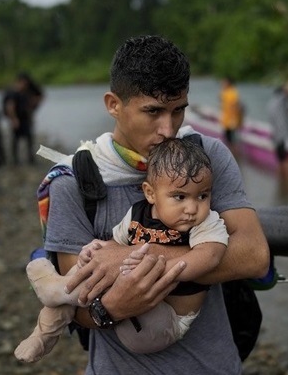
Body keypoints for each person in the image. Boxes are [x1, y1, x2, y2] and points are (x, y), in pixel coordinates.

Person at [32, 35, 269, 374]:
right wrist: (110, 307)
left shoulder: (207, 157)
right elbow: (75, 302)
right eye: (153, 111)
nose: (168, 129)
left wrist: (127, 258)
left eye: (178, 110)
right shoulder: (74, 183)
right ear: (114, 104)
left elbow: (254, 255)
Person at [15, 137, 229, 362]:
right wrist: (97, 249)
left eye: (203, 195)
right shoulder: (137, 213)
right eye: (180, 197)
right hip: (132, 305)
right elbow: (115, 248)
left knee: (110, 279)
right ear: (150, 193)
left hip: (166, 323)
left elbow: (210, 256)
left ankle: (58, 289)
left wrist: (156, 268)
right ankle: (43, 334)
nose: (192, 208)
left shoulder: (206, 223)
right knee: (95, 270)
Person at [3, 72, 44, 165]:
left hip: (26, 118)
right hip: (17, 119)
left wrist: (34, 107)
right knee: (15, 140)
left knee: (29, 139)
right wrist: (14, 119)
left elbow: (37, 98)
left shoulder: (25, 92)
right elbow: (10, 107)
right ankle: (15, 160)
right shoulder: (13, 92)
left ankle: (30, 158)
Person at [267, 75, 288, 179]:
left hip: (276, 138)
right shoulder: (281, 100)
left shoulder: (271, 104)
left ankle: (281, 186)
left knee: (280, 161)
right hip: (286, 138)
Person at [219, 77, 243, 157]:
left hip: (232, 121)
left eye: (224, 82)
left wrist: (239, 121)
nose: (222, 84)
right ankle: (232, 155)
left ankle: (235, 157)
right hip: (226, 121)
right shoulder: (224, 92)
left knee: (233, 141)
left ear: (228, 83)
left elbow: (238, 107)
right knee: (228, 140)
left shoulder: (233, 93)